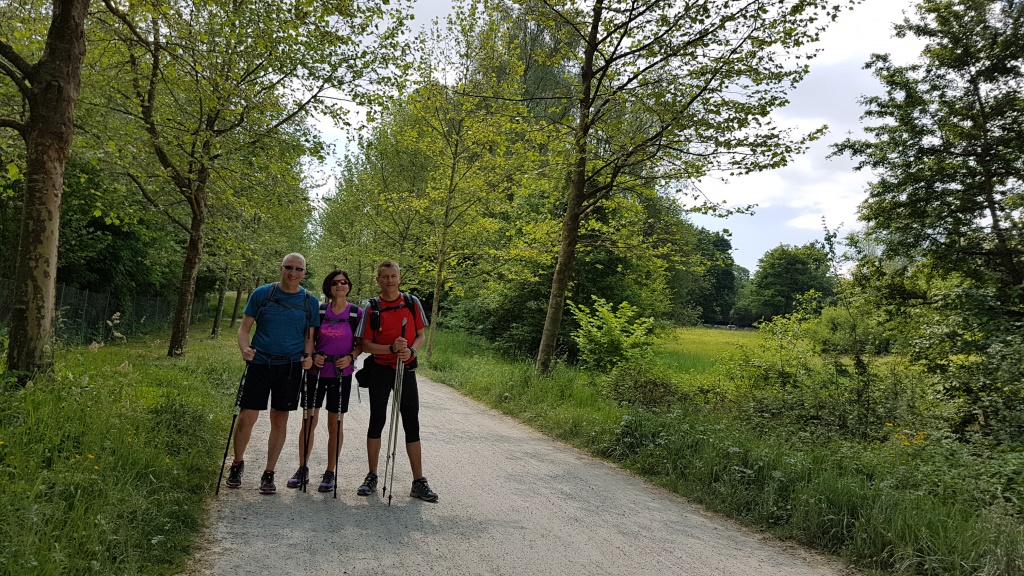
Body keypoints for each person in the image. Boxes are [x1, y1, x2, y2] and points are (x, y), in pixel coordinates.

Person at [226, 253, 318, 494]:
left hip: (289, 367)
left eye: (298, 269)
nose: (293, 273)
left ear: (304, 273)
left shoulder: (310, 301)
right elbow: (244, 329)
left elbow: (309, 337)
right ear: (281, 268)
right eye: (289, 267)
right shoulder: (262, 294)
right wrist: (244, 349)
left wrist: (308, 356)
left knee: (280, 419)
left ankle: (269, 472)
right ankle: (237, 464)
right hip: (260, 363)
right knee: (246, 417)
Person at [353, 260, 438, 502]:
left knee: (411, 422)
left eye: (393, 276)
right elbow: (365, 345)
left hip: (405, 369)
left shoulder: (412, 302)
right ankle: (372, 476)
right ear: (378, 280)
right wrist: (390, 348)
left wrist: (411, 351)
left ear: (399, 278)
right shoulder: (372, 307)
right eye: (385, 276)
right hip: (380, 369)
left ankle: (418, 481)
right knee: (377, 420)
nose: (389, 280)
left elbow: (420, 336)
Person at [286, 269, 364, 492]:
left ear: (348, 286)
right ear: (329, 287)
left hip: (341, 374)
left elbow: (361, 344)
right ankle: (302, 468)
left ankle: (330, 472)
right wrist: (312, 355)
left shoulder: (356, 313)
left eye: (344, 282)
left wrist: (351, 357)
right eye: (335, 282)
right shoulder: (319, 311)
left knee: (335, 424)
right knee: (308, 421)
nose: (340, 285)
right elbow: (309, 338)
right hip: (316, 373)